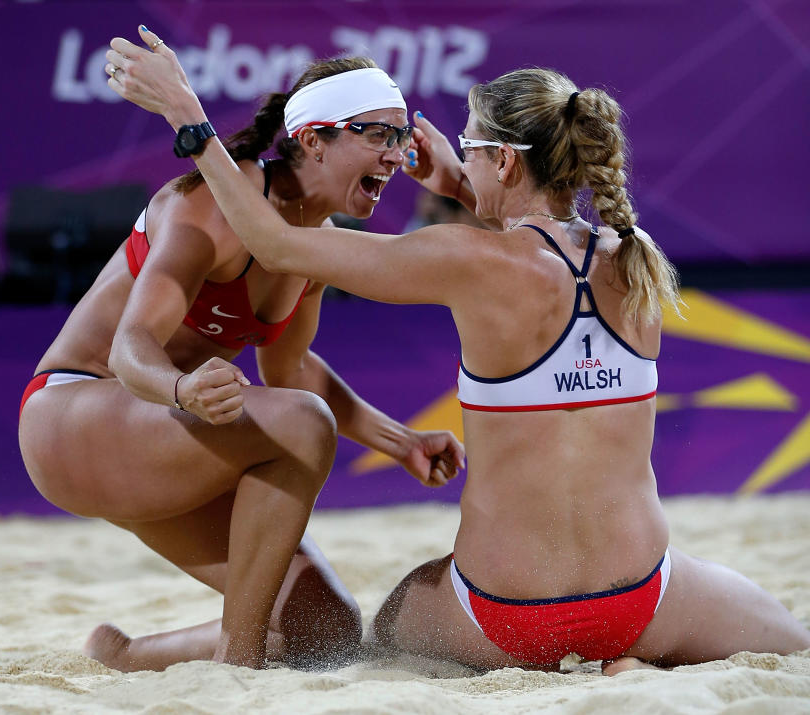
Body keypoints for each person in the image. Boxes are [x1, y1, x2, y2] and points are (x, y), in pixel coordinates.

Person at [106, 26, 810, 673]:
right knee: (792, 641)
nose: (451, 166)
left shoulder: (465, 259)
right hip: (642, 602)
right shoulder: (639, 258)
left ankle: (147, 651)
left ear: (503, 160)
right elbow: (543, 250)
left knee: (364, 631)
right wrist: (460, 180)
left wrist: (191, 122)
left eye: (469, 151)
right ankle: (627, 659)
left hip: (506, 617)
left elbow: (276, 242)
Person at [18, 53, 464, 672]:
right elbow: (130, 348)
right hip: (76, 414)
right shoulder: (217, 201)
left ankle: (124, 657)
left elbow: (292, 374)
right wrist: (182, 389)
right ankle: (240, 660)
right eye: (379, 134)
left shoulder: (311, 243)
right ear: (313, 139)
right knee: (304, 426)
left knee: (324, 630)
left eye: (400, 135)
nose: (396, 155)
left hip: (164, 432)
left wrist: (399, 440)